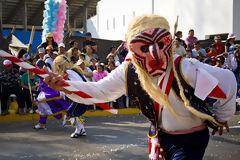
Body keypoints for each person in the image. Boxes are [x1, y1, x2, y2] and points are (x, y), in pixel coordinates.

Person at [44, 15, 237, 160]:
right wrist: (65, 85)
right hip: (160, 138)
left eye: (160, 44)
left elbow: (228, 79)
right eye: (144, 47)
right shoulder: (129, 70)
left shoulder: (185, 67)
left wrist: (222, 116)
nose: (154, 54)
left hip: (192, 140)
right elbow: (99, 91)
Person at [53, 55, 90, 137]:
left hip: (81, 96)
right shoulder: (75, 70)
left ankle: (78, 130)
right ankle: (82, 130)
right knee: (77, 113)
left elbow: (74, 85)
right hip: (85, 94)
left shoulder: (69, 72)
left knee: (70, 113)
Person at [33, 59, 69, 130]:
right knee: (42, 108)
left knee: (46, 107)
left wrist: (29, 65)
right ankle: (42, 123)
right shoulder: (45, 70)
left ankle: (61, 116)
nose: (37, 67)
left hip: (50, 92)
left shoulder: (45, 71)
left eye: (37, 66)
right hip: (46, 91)